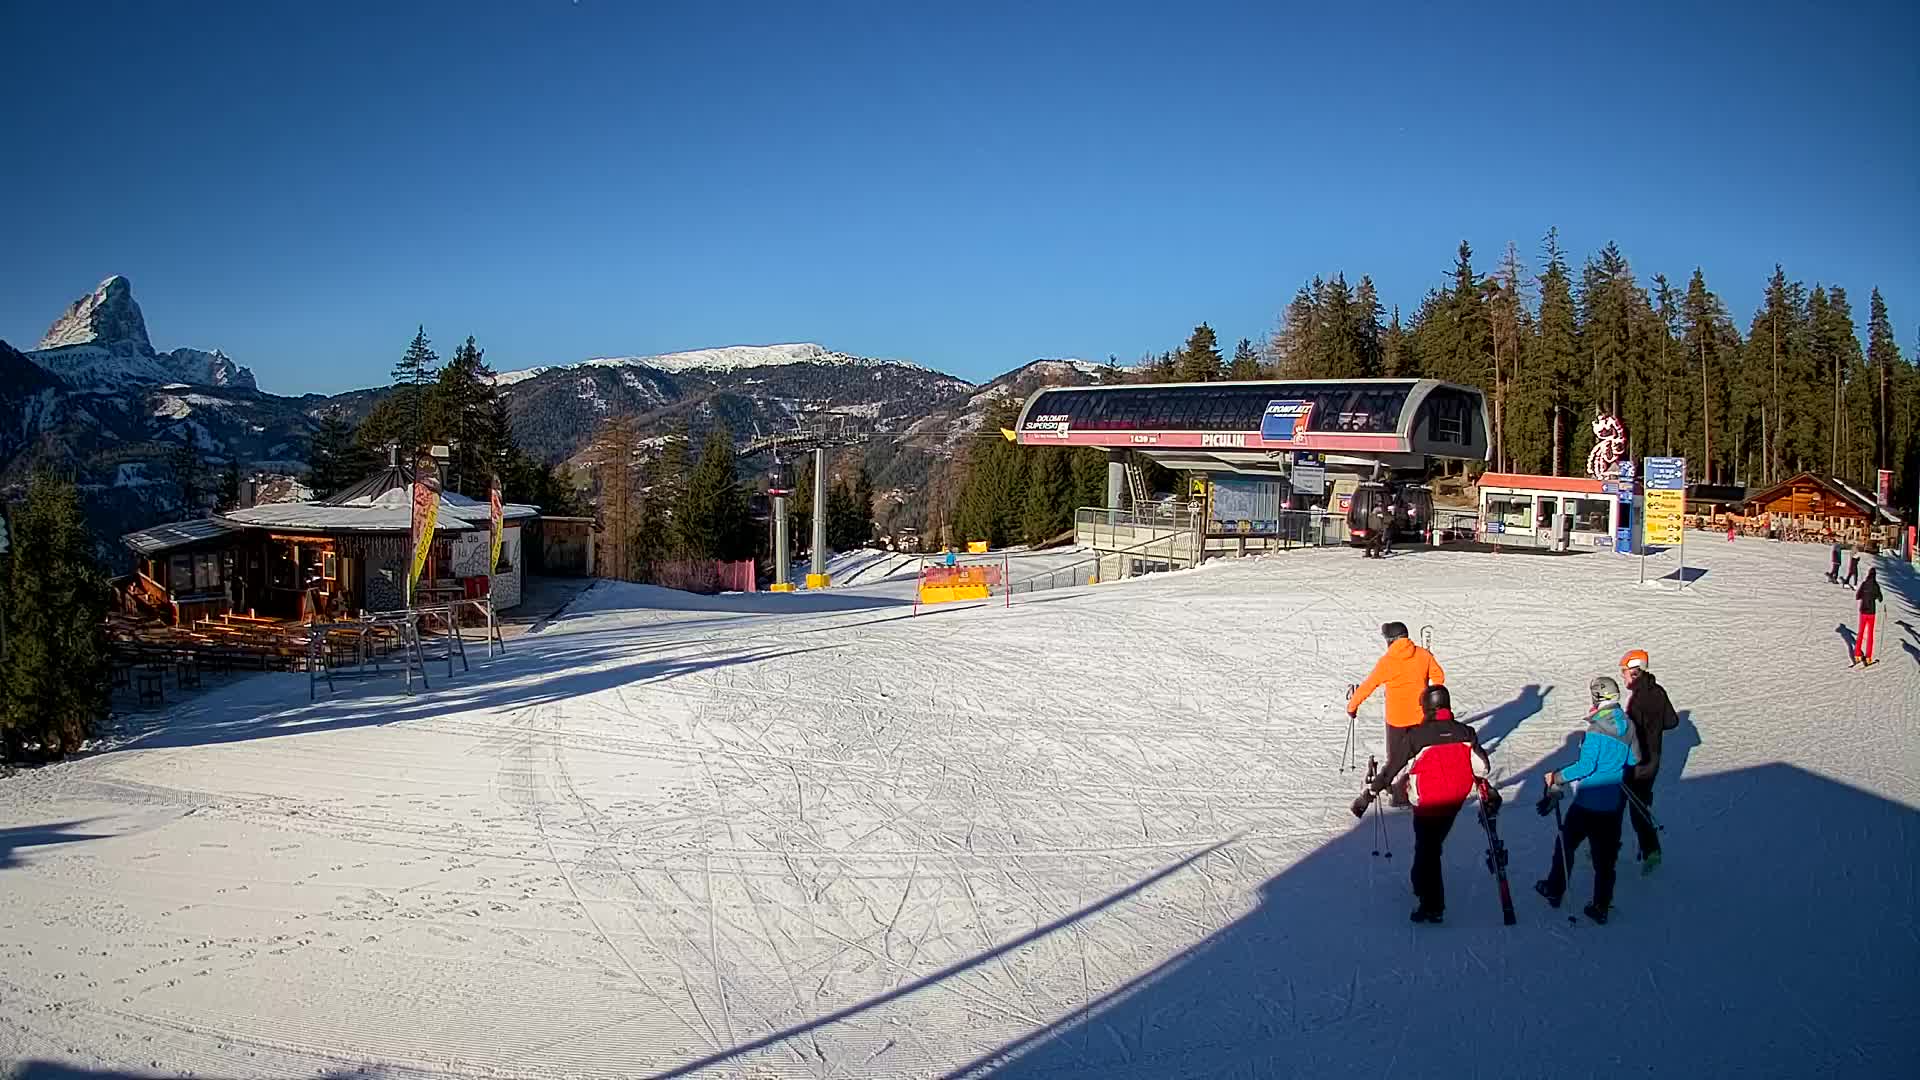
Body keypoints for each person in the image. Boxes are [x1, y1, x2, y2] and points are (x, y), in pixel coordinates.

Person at [1351, 685, 1492, 923]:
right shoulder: (1466, 732)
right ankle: (1419, 881)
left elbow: (1391, 770)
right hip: (1456, 800)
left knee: (1430, 849)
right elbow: (1482, 768)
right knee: (1430, 844)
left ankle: (1433, 906)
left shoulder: (1416, 736)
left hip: (1428, 801)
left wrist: (1368, 795)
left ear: (1427, 707)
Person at [1535, 676, 1639, 925]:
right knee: (1605, 859)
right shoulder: (1628, 724)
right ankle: (1601, 905)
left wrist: (1557, 776)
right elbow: (1633, 760)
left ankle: (1555, 888)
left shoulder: (1596, 730)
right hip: (1612, 803)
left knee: (1566, 844)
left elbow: (1585, 766)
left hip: (1587, 803)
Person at [1346, 622, 1446, 806]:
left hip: (1397, 720)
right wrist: (1430, 696)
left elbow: (1368, 686)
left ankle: (1399, 796)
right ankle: (1415, 787)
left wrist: (1352, 707)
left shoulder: (1387, 662)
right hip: (1421, 717)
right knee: (1417, 756)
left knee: (1396, 758)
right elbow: (1439, 677)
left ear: (1391, 641)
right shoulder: (1424, 655)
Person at [1621, 650, 1678, 872]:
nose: (1623, 677)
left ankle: (1648, 850)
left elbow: (1630, 734)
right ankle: (1650, 849)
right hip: (1654, 759)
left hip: (1638, 762)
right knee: (1640, 803)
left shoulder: (1638, 700)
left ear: (1635, 673)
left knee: (1628, 805)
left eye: (1624, 673)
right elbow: (1671, 721)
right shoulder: (1658, 691)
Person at [1853, 567, 1883, 667]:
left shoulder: (1864, 584)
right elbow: (1880, 598)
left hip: (1863, 612)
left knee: (1861, 633)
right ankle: (1868, 657)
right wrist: (1875, 596)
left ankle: (1857, 654)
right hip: (1871, 613)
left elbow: (1858, 596)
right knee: (1870, 634)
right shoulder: (1875, 585)